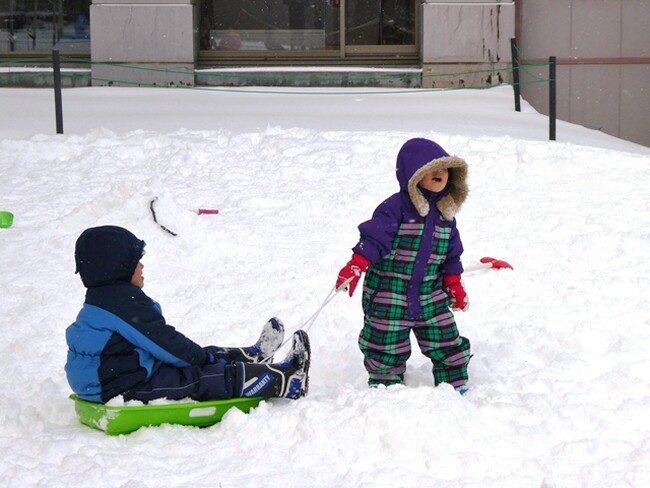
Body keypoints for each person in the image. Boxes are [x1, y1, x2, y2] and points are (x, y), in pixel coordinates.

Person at [65, 225, 310, 404]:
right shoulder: (122, 303)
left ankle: (253, 357)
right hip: (121, 386)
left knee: (202, 356)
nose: (142, 266)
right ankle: (287, 380)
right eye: (136, 261)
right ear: (117, 267)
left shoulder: (103, 299)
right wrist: (206, 360)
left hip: (114, 377)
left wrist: (205, 356)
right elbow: (166, 344)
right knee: (200, 376)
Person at [335, 137, 471, 392]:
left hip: (430, 294)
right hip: (389, 293)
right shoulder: (395, 209)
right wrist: (356, 265)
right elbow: (374, 240)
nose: (440, 173)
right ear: (413, 175)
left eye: (444, 169)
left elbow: (451, 257)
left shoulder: (446, 217)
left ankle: (454, 383)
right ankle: (386, 385)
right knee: (385, 343)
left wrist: (454, 285)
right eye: (431, 169)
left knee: (445, 339)